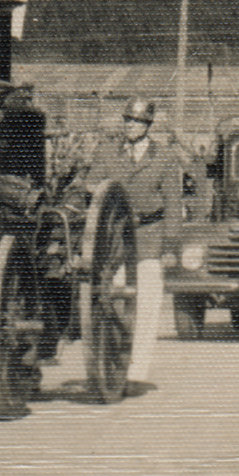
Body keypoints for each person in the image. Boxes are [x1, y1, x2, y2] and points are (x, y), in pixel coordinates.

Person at [81, 97, 184, 356]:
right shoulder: (106, 151)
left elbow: (173, 206)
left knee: (148, 301)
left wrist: (170, 247)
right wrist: (94, 189)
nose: (131, 125)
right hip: (114, 237)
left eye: (137, 121)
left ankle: (138, 365)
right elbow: (91, 184)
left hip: (148, 236)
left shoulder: (165, 157)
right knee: (113, 300)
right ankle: (115, 361)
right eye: (128, 120)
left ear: (148, 124)